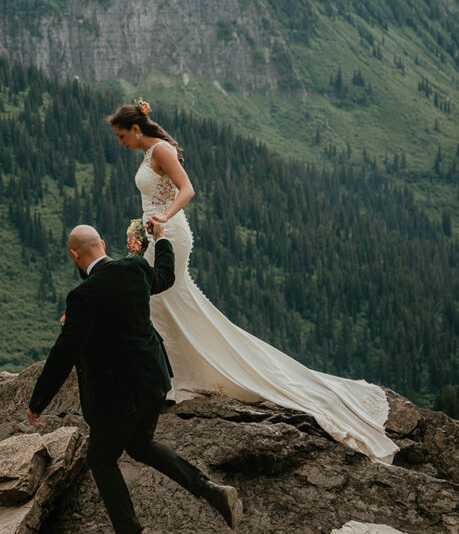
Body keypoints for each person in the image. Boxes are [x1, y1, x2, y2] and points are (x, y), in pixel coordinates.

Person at [107, 100, 399, 465]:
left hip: (170, 233)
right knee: (164, 303)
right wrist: (145, 225)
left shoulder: (160, 150)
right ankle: (180, 377)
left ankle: (174, 379)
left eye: (121, 135)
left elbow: (187, 190)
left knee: (157, 299)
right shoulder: (149, 151)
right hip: (156, 232)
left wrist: (162, 218)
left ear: (135, 129)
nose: (119, 142)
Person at [27, 222, 243, 534]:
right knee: (140, 445)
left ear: (74, 255)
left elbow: (64, 353)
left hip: (118, 395)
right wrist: (161, 240)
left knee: (100, 459)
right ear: (102, 243)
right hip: (154, 381)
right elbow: (166, 276)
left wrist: (38, 402)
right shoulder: (135, 268)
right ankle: (210, 491)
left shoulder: (83, 296)